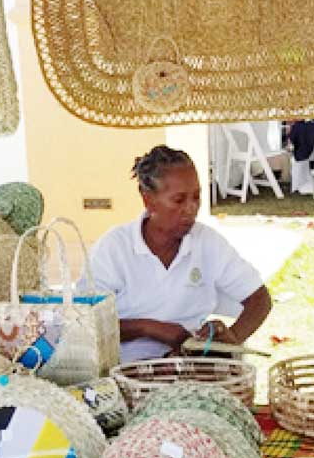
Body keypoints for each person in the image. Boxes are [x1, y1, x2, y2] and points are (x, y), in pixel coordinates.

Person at [89, 146, 273, 362]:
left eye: (197, 196)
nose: (191, 208)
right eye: (179, 200)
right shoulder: (114, 248)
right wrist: (150, 328)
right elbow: (85, 325)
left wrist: (229, 341)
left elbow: (259, 299)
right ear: (148, 200)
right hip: (125, 371)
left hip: (191, 366)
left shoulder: (207, 243)